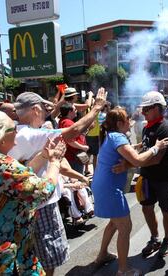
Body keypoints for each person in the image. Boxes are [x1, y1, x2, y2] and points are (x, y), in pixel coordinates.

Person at [8, 89, 107, 275]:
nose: (46, 114)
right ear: (36, 110)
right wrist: (97, 108)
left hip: (25, 205)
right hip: (42, 204)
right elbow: (73, 131)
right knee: (48, 255)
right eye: (44, 110)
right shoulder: (29, 135)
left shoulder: (14, 133)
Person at [0, 109, 65, 275]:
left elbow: (18, 181)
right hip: (6, 258)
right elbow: (42, 191)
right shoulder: (0, 165)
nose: (17, 131)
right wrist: (55, 162)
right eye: (13, 128)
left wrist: (43, 156)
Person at [92, 106, 168, 275]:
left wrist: (140, 145)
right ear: (120, 123)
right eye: (127, 119)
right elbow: (138, 161)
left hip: (102, 185)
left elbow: (126, 150)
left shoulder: (112, 136)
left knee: (114, 223)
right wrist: (156, 147)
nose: (130, 121)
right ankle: (123, 269)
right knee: (125, 228)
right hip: (110, 189)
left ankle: (102, 255)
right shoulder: (118, 137)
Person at [137, 91, 168, 259]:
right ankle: (155, 238)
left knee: (166, 210)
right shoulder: (147, 127)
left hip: (164, 179)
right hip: (147, 177)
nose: (142, 112)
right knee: (147, 208)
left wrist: (134, 162)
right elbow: (146, 148)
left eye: (146, 109)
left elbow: (156, 159)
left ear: (156, 108)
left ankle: (166, 240)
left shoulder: (165, 128)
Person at [58, 103, 89, 174]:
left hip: (73, 156)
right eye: (75, 110)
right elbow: (70, 140)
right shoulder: (67, 123)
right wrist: (83, 147)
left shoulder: (63, 121)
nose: (76, 111)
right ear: (69, 112)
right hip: (74, 157)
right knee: (77, 178)